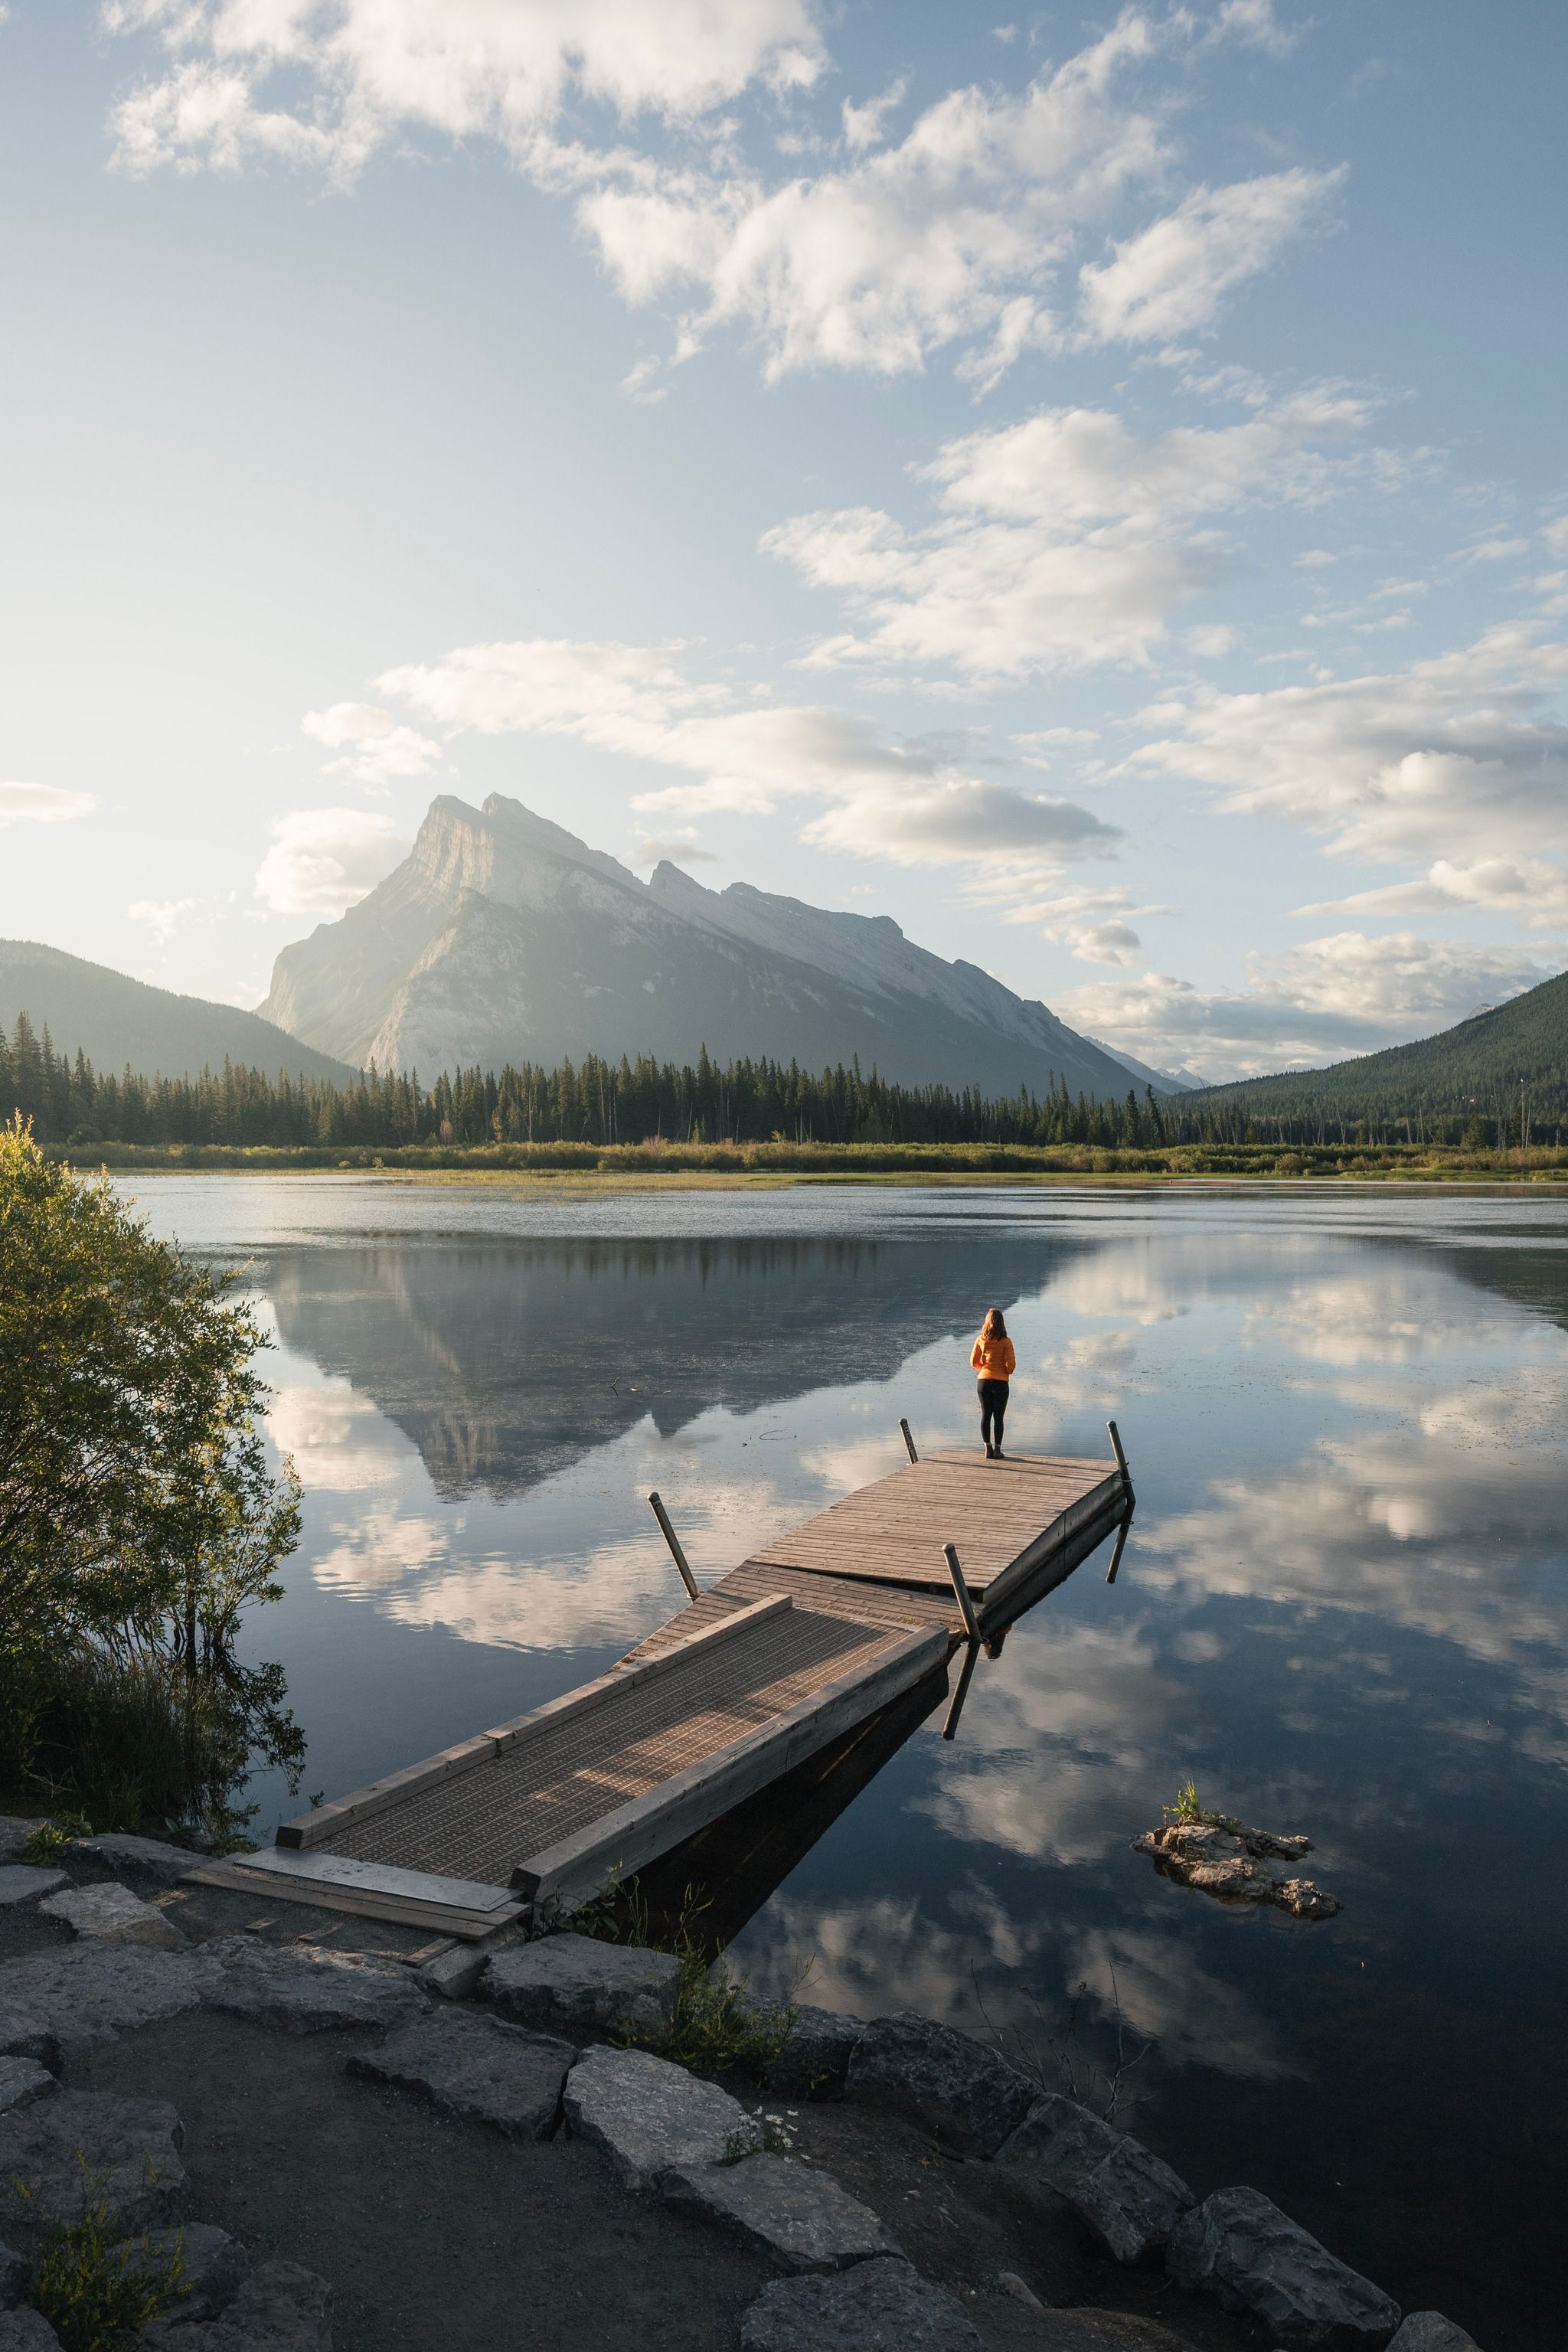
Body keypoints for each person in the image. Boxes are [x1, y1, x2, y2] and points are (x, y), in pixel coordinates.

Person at [970, 1307, 1016, 1459]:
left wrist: (983, 1368)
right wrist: (1002, 1367)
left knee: (986, 1415)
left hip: (983, 1382)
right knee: (998, 1417)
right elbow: (1010, 1368)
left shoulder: (980, 1339)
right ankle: (997, 1450)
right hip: (1001, 1383)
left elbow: (973, 1362)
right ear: (1002, 1323)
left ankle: (987, 1448)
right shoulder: (1006, 1342)